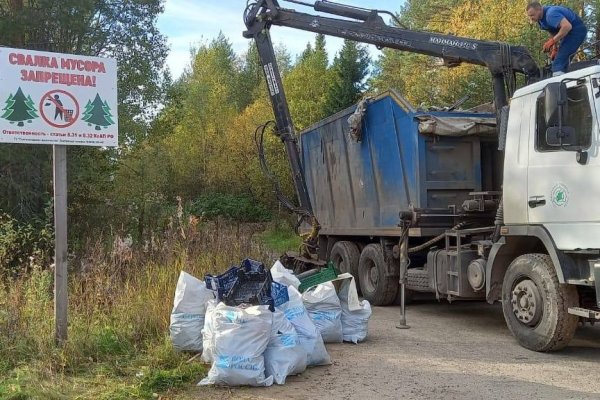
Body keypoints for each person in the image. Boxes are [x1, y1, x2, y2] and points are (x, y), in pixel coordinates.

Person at [526, 2, 587, 76]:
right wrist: (555, 49)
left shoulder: (550, 14)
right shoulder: (541, 21)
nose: (531, 18)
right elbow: (553, 32)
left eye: (532, 15)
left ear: (539, 9)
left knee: (558, 64)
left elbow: (567, 26)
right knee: (559, 61)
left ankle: (559, 85)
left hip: (576, 31)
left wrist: (552, 41)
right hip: (568, 33)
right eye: (529, 16)